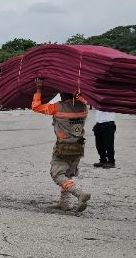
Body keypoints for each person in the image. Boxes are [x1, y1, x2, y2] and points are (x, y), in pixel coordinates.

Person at [31, 78, 91, 212]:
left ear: (64, 94)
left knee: (57, 174)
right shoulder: (83, 106)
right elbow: (80, 97)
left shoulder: (58, 107)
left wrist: (39, 89)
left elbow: (36, 106)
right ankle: (64, 203)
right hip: (78, 146)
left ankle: (79, 193)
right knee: (67, 174)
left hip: (63, 147)